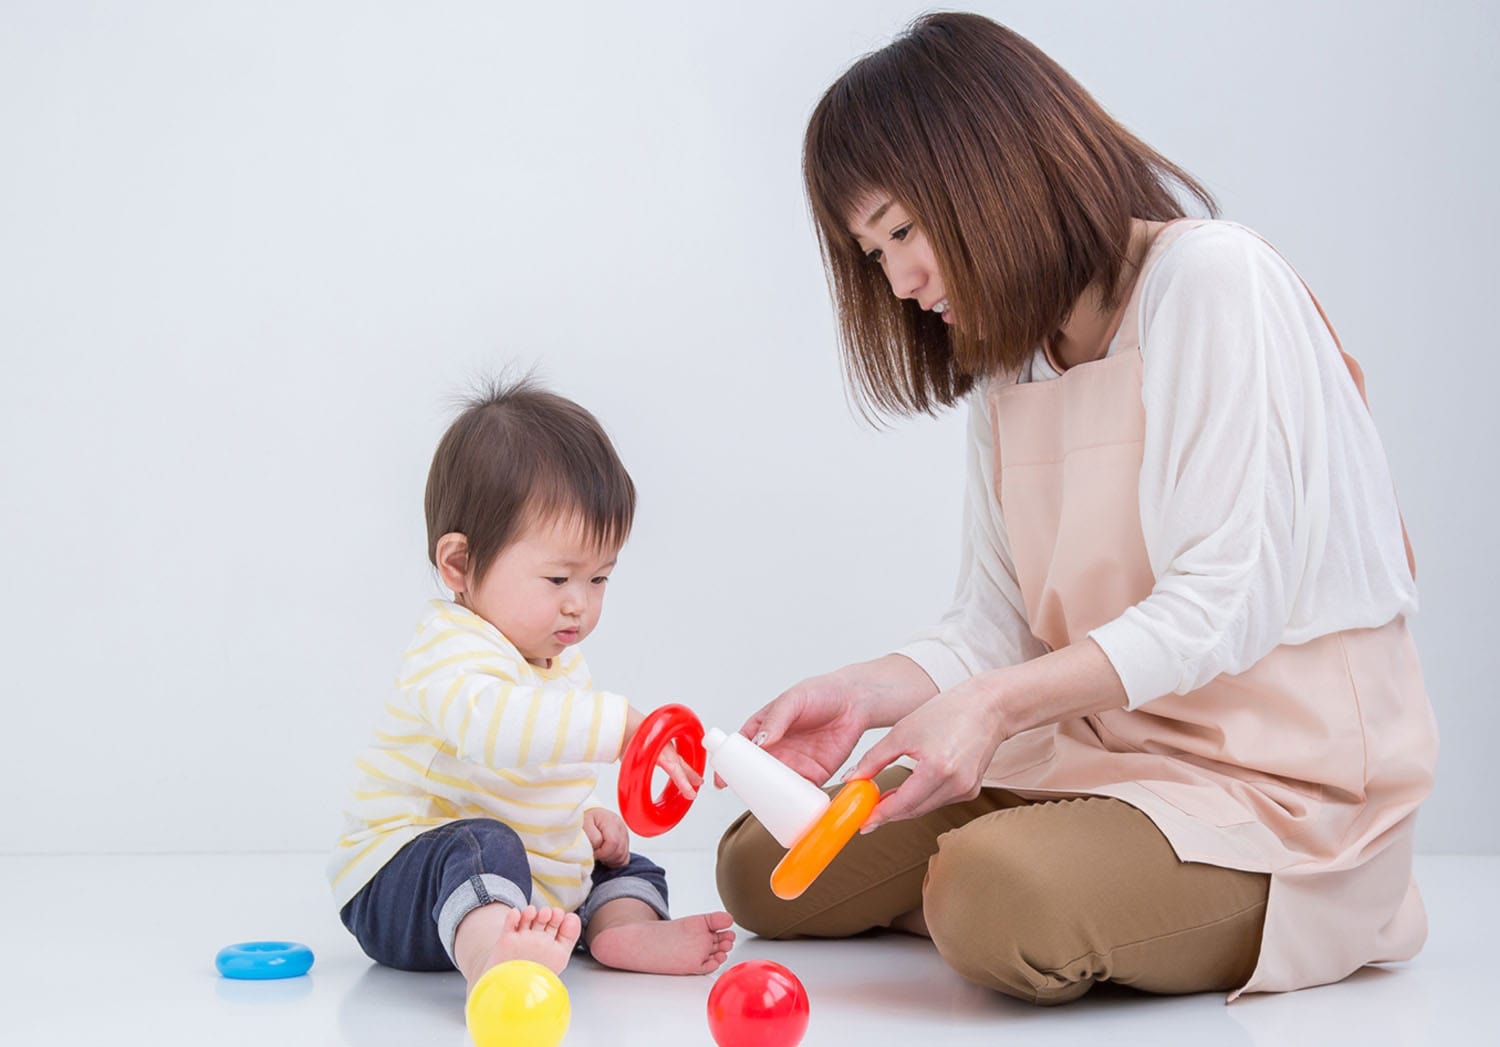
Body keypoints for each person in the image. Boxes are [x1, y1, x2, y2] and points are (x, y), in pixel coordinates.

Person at [716, 12, 1437, 1005]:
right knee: (762, 865)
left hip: (1275, 787)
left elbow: (1226, 603)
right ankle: (1045, 887)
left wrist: (988, 710)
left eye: (904, 231)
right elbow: (993, 626)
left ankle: (1126, 898)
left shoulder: (1212, 280)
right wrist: (865, 693)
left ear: (994, 167)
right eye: (873, 254)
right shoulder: (1011, 357)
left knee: (991, 897)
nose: (902, 283)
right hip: (1093, 755)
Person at [329, 377, 734, 996]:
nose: (580, 605)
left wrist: (583, 817)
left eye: (599, 579)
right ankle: (491, 958)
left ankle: (622, 929)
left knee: (621, 862)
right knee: (481, 843)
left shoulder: (556, 659)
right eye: (558, 579)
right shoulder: (449, 650)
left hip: (515, 880)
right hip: (400, 883)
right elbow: (497, 730)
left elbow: (543, 768)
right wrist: (620, 727)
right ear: (460, 564)